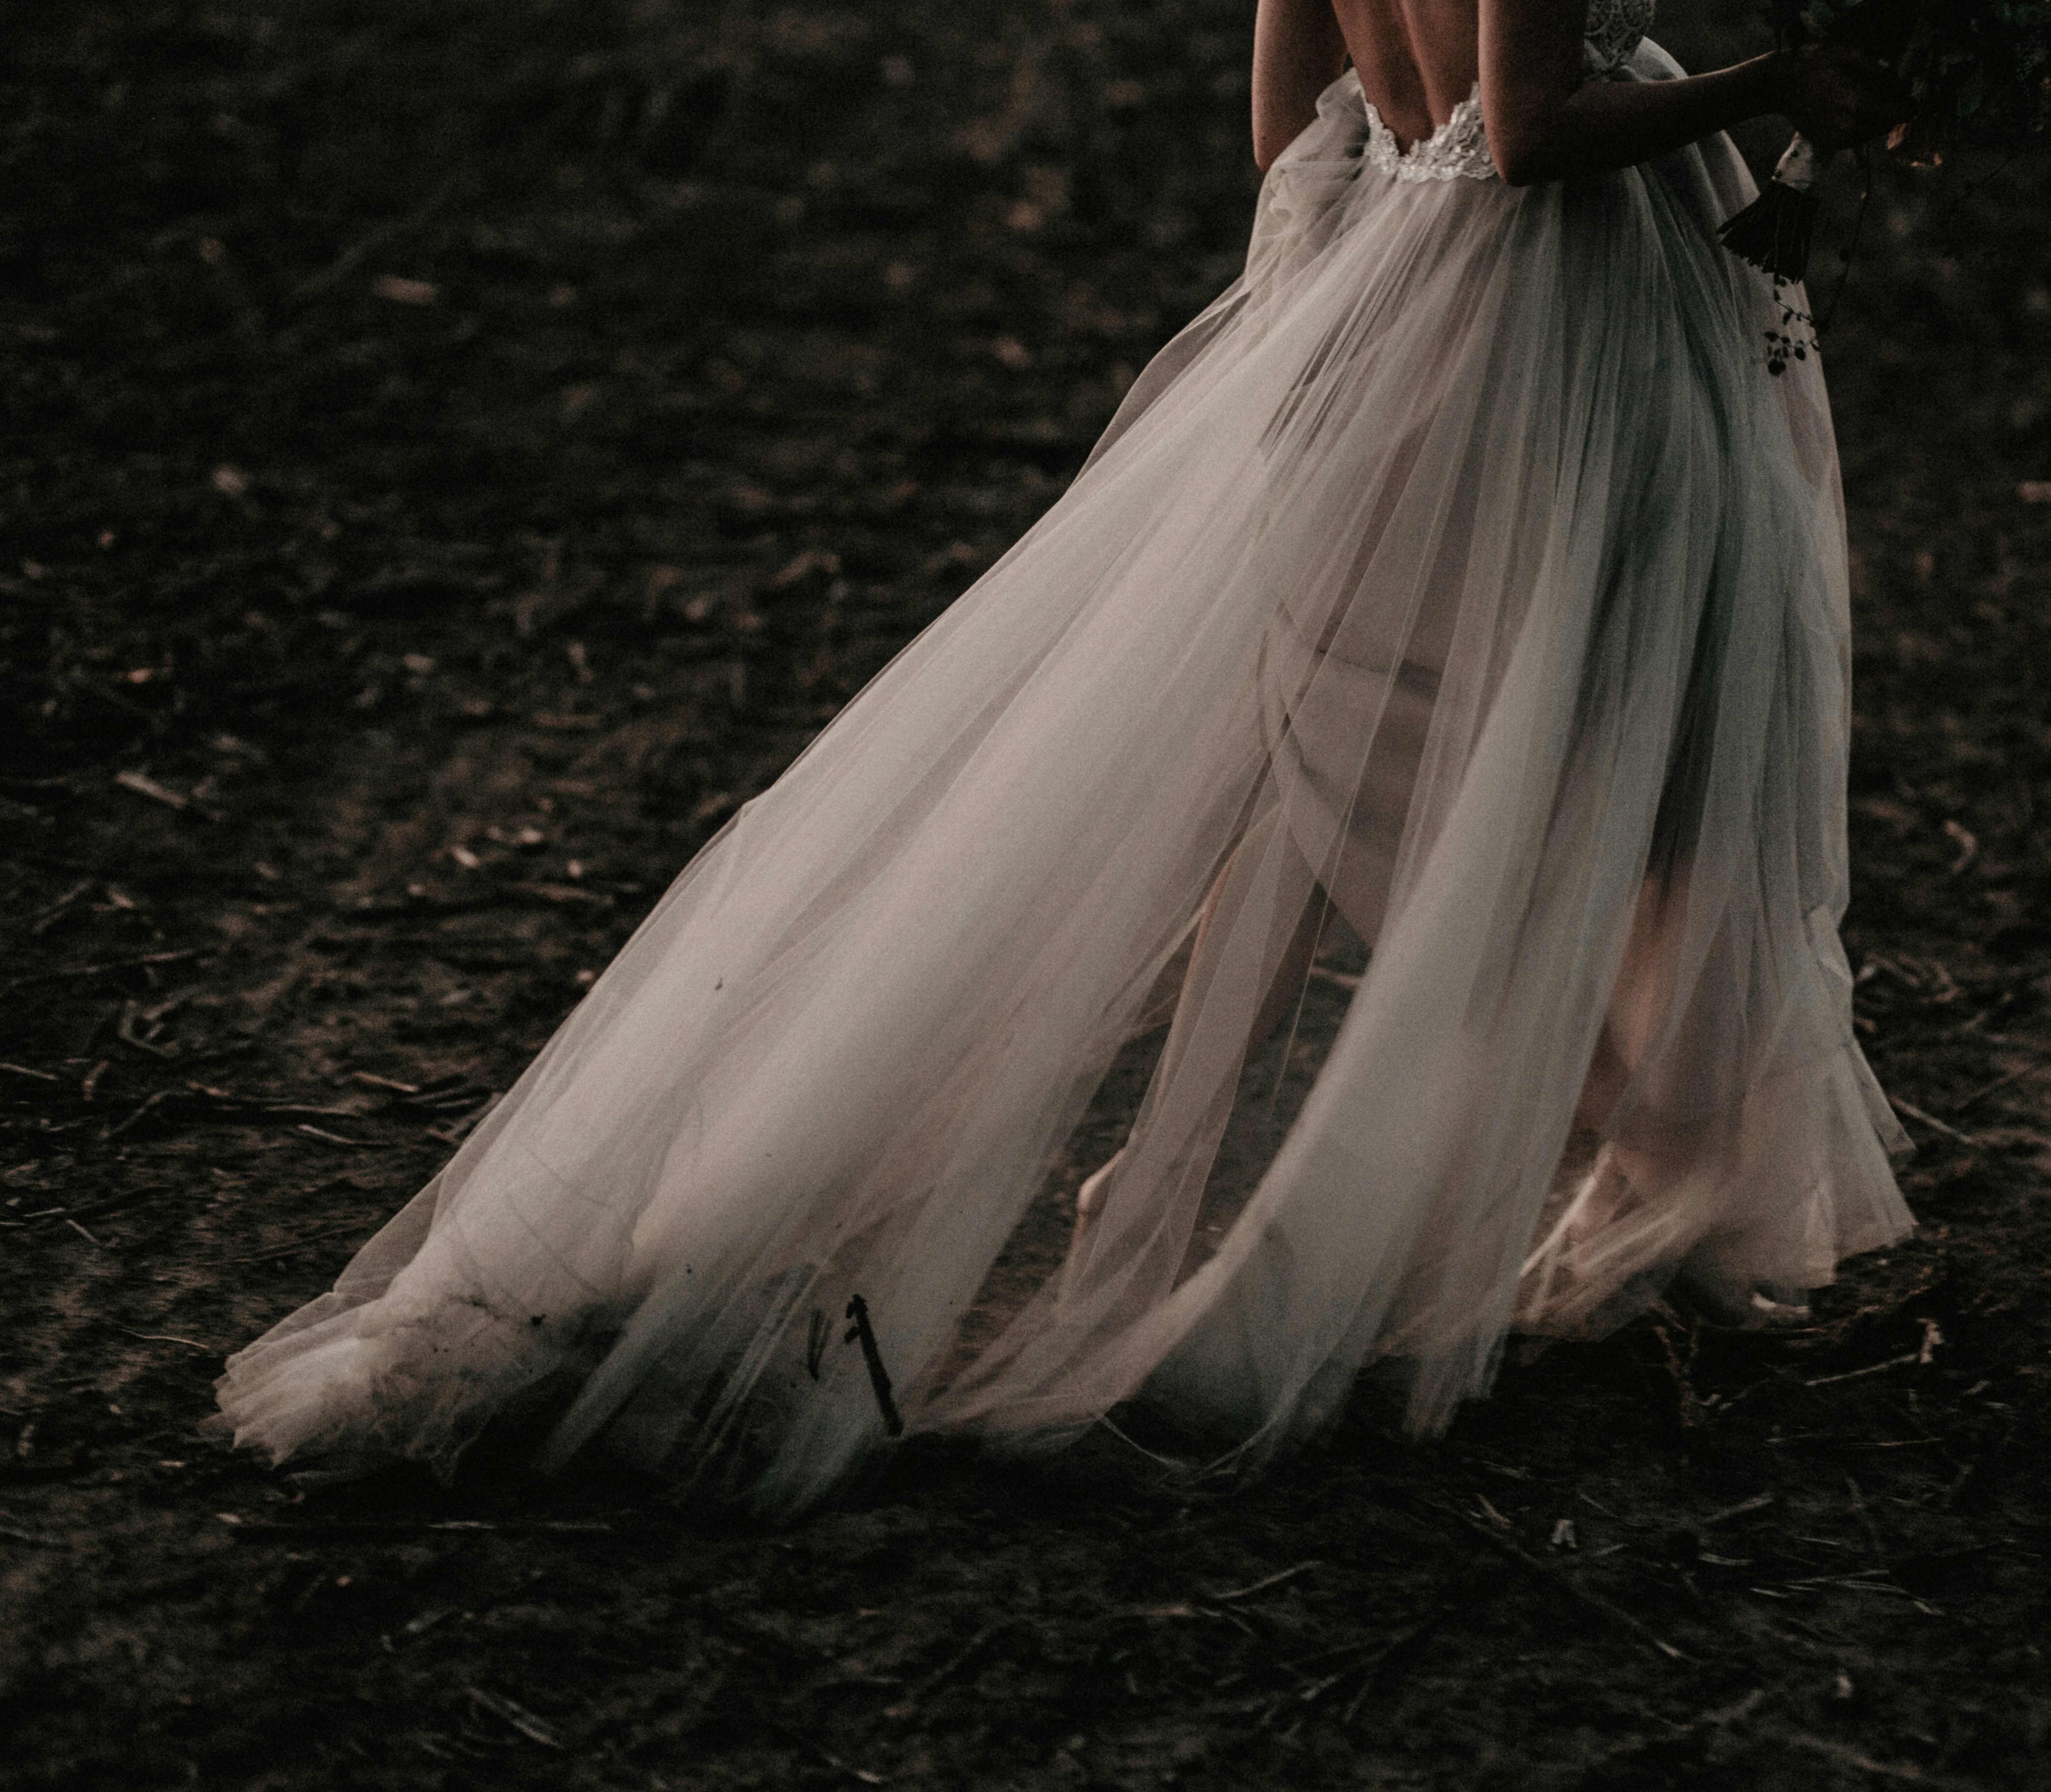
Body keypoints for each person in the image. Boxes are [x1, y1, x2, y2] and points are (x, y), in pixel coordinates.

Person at [213, 0, 1917, 1513]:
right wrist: (1781, 82)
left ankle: (1196, 1184)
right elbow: (1536, 130)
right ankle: (1570, 1178)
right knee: (1602, 755)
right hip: (1545, 336)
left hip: (1389, 301)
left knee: (1337, 770)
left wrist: (1338, 332)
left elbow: (1285, 132)